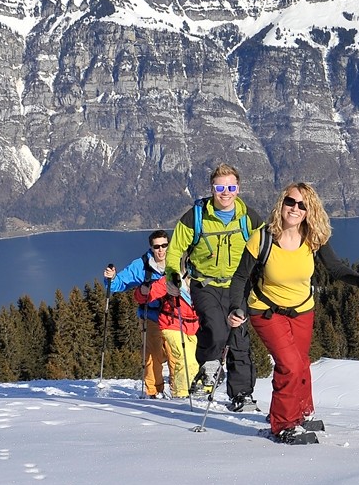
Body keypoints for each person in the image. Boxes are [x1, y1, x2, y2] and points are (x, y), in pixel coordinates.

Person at [229, 182, 359, 444]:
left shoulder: (313, 238)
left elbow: (335, 268)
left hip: (302, 310)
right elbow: (240, 277)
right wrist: (235, 307)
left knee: (300, 364)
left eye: (302, 205)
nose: (295, 208)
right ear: (281, 203)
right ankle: (284, 425)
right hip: (266, 310)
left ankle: (300, 412)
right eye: (290, 202)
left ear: (310, 211)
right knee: (290, 365)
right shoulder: (262, 238)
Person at [165, 163, 259, 412]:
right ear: (212, 188)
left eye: (230, 187)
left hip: (238, 286)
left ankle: (241, 394)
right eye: (220, 187)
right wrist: (173, 276)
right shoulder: (196, 216)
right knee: (216, 329)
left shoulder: (249, 218)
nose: (225, 192)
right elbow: (174, 251)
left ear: (238, 188)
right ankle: (208, 366)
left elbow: (266, 248)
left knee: (238, 338)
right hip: (205, 284)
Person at [103, 230, 171, 398]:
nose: (161, 250)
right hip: (151, 316)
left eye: (164, 245)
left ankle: (180, 392)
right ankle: (154, 392)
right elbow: (118, 284)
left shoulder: (177, 261)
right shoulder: (141, 265)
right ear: (151, 247)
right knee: (152, 356)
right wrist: (110, 278)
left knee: (176, 355)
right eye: (157, 246)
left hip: (174, 317)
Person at [131, 248, 202, 398]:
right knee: (181, 359)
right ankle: (180, 394)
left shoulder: (201, 280)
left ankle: (184, 389)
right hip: (172, 323)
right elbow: (149, 294)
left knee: (193, 362)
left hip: (192, 326)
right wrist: (143, 292)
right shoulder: (172, 279)